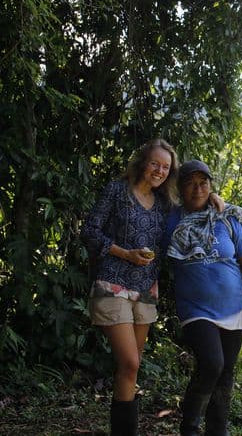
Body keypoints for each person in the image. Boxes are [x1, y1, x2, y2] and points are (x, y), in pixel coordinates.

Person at [80, 139, 223, 436]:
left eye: (166, 167)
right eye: (155, 163)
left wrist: (213, 197)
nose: (159, 170)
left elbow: (191, 203)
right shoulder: (117, 191)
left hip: (145, 289)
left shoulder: (164, 205)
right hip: (113, 284)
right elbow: (89, 231)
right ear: (143, 162)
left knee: (131, 368)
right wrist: (125, 253)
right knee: (130, 363)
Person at [164, 160, 242, 436]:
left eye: (203, 183)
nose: (197, 189)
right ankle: (190, 428)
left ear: (211, 187)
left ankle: (217, 431)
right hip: (196, 309)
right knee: (212, 363)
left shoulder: (227, 218)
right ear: (180, 188)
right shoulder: (171, 219)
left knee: (225, 376)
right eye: (190, 183)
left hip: (235, 307)